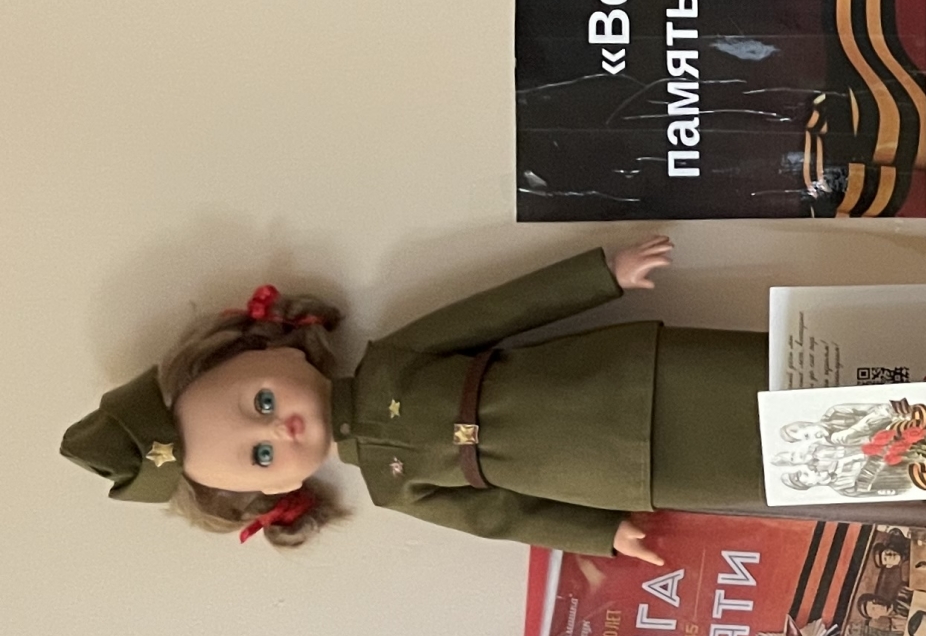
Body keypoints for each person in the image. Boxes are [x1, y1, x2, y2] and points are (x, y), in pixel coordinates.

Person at [58, 237, 754, 555]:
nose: (280, 430)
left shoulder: (395, 360)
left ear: (271, 351)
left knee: (756, 373)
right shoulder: (395, 487)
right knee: (769, 467)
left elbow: (496, 311)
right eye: (262, 454)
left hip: (617, 375)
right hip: (612, 473)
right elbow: (496, 518)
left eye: (262, 404)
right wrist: (597, 533)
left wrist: (601, 276)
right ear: (280, 489)